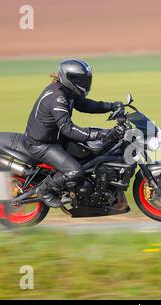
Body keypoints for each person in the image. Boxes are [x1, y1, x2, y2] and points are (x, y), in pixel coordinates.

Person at [24, 59, 123, 208]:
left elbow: (85, 105)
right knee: (74, 171)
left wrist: (111, 106)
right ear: (69, 78)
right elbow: (68, 129)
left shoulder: (66, 91)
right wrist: (97, 134)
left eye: (85, 80)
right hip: (42, 144)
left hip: (55, 138)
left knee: (92, 152)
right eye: (80, 80)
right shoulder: (57, 98)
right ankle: (44, 191)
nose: (84, 83)